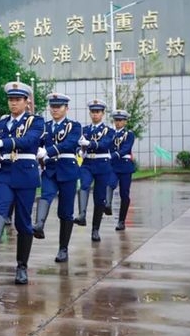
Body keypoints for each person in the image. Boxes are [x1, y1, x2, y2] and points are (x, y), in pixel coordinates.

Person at [0, 81, 44, 285]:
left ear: (27, 102)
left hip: (25, 174)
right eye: (10, 99)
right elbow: (0, 147)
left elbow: (29, 141)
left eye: (17, 100)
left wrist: (4, 143)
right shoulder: (2, 123)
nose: (13, 103)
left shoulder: (36, 121)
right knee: (0, 207)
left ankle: (22, 266)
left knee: (22, 221)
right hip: (5, 171)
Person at [34, 93, 81, 262]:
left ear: (66, 108)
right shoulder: (44, 127)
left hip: (68, 170)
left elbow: (69, 144)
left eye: (59, 106)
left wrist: (48, 151)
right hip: (50, 169)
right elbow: (35, 143)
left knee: (65, 212)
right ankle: (39, 224)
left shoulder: (74, 126)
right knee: (46, 194)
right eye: (52, 106)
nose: (55, 109)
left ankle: (63, 249)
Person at [74, 99, 115, 242]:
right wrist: (79, 150)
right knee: (84, 185)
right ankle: (82, 215)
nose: (95, 114)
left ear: (103, 113)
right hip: (87, 163)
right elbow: (77, 145)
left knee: (99, 199)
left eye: (97, 112)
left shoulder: (109, 131)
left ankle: (95, 229)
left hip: (102, 164)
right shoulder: (84, 130)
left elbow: (105, 144)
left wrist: (90, 143)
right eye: (92, 111)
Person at [109, 109, 135, 231]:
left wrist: (113, 155)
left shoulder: (129, 134)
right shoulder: (111, 133)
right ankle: (107, 205)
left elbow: (126, 148)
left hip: (125, 166)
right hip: (113, 165)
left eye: (121, 120)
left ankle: (121, 221)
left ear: (125, 121)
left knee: (124, 194)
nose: (118, 122)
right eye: (116, 120)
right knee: (109, 184)